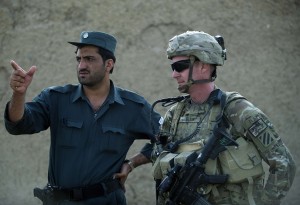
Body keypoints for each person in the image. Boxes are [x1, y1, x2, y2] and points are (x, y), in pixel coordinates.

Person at [4, 31, 161, 205]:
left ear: (109, 64)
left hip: (107, 200)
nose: (81, 66)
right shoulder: (55, 98)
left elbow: (168, 138)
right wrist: (19, 94)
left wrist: (132, 163)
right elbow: (18, 125)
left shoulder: (133, 106)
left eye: (89, 59)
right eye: (79, 59)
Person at [149, 31, 296, 205]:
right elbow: (160, 168)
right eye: (172, 67)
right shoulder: (174, 115)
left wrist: (265, 201)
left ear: (203, 66)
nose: (174, 74)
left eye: (179, 66)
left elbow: (284, 164)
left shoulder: (237, 110)